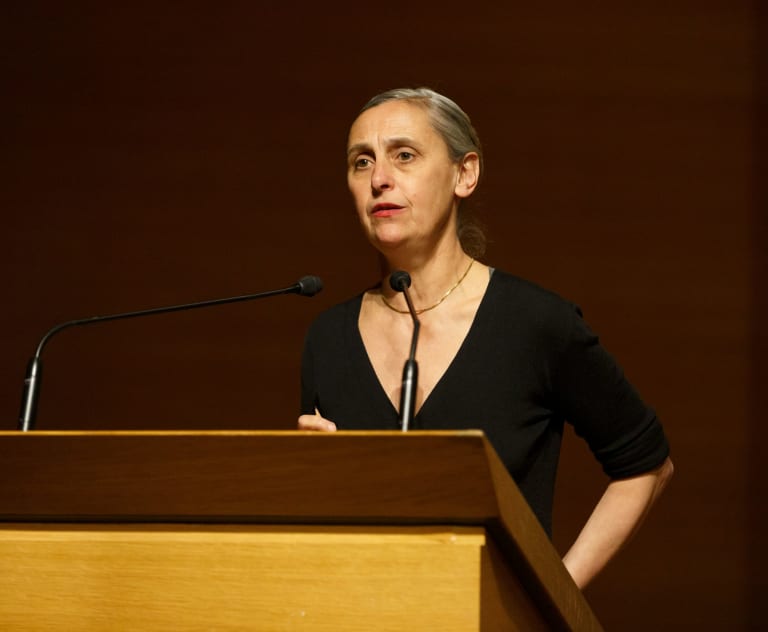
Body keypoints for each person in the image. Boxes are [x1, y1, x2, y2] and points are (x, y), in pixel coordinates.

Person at [298, 87, 673, 590]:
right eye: (361, 162)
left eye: (404, 156)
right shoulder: (328, 338)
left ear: (464, 174)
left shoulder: (535, 323)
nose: (379, 179)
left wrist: (552, 595)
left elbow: (646, 466)